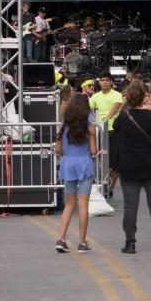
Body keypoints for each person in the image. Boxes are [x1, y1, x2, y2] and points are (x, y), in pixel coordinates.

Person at [113, 82, 151, 254]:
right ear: (144, 96)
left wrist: (123, 105)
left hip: (129, 167)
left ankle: (130, 242)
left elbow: (115, 126)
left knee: (130, 205)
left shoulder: (124, 118)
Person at [54, 93, 98, 253]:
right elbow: (93, 150)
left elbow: (58, 149)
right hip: (84, 164)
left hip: (68, 164)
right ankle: (82, 242)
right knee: (83, 204)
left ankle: (61, 238)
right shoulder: (90, 126)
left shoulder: (64, 125)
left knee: (69, 204)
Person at [89, 72, 123, 197]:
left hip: (113, 131)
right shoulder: (95, 96)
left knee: (114, 163)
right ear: (99, 82)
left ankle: (111, 187)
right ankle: (102, 184)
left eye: (107, 80)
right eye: (102, 80)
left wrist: (107, 118)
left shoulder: (116, 95)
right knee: (99, 160)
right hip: (99, 131)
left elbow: (116, 107)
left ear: (111, 82)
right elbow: (88, 109)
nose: (104, 82)